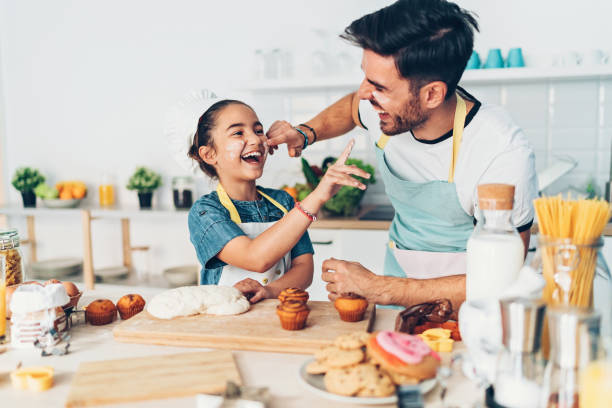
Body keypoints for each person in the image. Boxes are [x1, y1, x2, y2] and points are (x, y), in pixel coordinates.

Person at [265, 0, 537, 312]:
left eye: (378, 86)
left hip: (471, 308)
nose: (365, 93)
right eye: (365, 78)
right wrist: (306, 132)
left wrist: (381, 288)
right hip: (397, 285)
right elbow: (352, 107)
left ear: (432, 94)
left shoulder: (499, 150)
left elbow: (501, 277)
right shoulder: (380, 107)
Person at [187, 99, 369, 303]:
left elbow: (304, 268)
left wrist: (269, 292)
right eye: (238, 133)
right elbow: (255, 258)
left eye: (258, 130)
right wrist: (318, 196)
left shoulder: (282, 201)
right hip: (224, 322)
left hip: (279, 313)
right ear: (209, 154)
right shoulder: (205, 211)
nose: (256, 139)